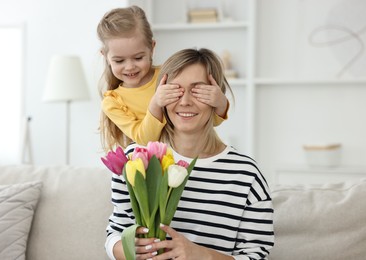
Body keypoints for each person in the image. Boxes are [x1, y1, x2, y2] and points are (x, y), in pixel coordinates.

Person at [105, 48, 274, 259]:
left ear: (217, 97)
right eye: (174, 90)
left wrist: (200, 255)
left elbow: (258, 255)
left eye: (198, 91)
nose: (185, 101)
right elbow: (114, 234)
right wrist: (131, 249)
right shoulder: (136, 160)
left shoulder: (246, 174)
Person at [97, 5, 229, 152]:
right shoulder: (112, 101)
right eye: (119, 61)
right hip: (159, 167)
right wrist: (156, 103)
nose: (129, 67)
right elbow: (144, 140)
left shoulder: (170, 75)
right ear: (105, 56)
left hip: (197, 154)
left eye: (138, 58)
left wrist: (221, 102)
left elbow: (211, 121)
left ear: (152, 48)